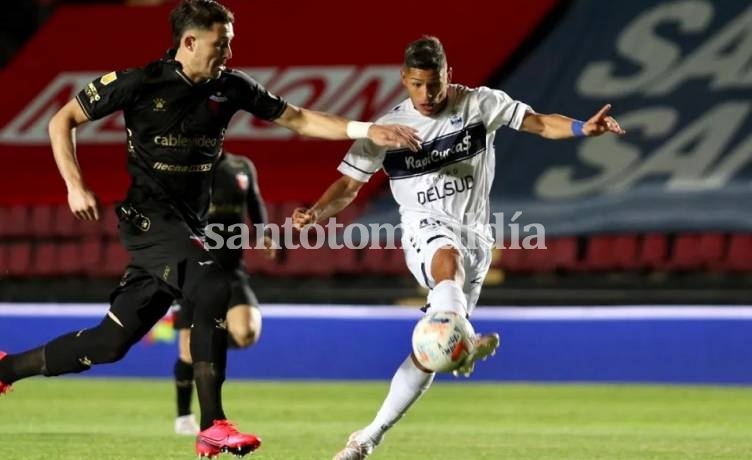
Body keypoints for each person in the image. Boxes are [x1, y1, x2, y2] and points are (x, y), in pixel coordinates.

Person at [0, 1, 421, 458]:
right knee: (213, 280)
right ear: (189, 42)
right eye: (221, 44)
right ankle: (212, 424)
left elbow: (298, 118)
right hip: (148, 221)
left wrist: (367, 128)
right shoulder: (139, 83)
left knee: (110, 342)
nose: (228, 52)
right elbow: (62, 119)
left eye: (230, 43)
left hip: (186, 227)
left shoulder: (230, 87)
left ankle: (6, 371)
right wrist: (74, 185)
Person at [291, 36, 625, 460]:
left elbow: (539, 122)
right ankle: (457, 330)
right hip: (424, 229)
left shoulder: (480, 104)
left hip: (477, 240)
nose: (426, 95)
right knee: (445, 264)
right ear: (404, 80)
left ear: (449, 74)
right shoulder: (388, 129)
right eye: (416, 85)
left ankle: (368, 437)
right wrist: (316, 213)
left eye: (433, 84)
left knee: (431, 355)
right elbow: (348, 185)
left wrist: (581, 127)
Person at [172, 151, 274, 436]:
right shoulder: (182, 165)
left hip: (231, 270)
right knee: (188, 355)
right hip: (195, 270)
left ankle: (209, 340)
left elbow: (254, 201)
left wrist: (264, 231)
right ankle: (183, 416)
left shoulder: (241, 166)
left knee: (246, 333)